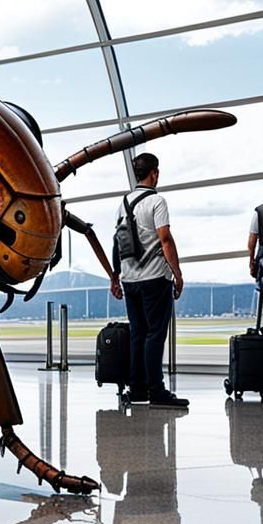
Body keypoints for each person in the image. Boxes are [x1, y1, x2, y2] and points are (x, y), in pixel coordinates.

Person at [110, 153, 187, 408]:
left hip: (130, 279)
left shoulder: (123, 203)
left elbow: (117, 240)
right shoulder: (157, 201)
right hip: (154, 277)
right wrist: (177, 273)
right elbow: (165, 238)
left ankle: (138, 389)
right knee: (155, 334)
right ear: (153, 173)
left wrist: (115, 275)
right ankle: (157, 390)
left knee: (138, 334)